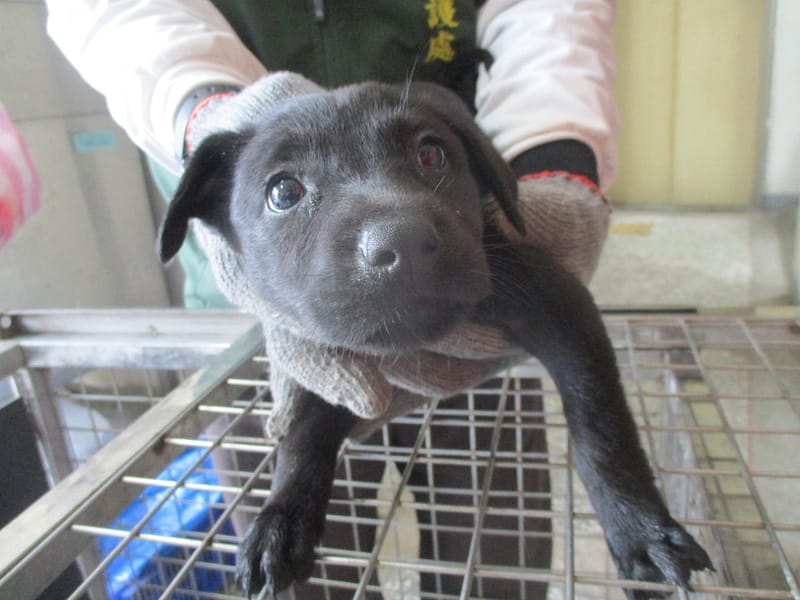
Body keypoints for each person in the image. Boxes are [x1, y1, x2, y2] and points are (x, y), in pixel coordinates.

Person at [46, 1, 619, 597]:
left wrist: (555, 152)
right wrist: (206, 109)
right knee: (301, 575)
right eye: (286, 191)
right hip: (264, 322)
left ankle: (375, 167)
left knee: (498, 558)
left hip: (471, 262)